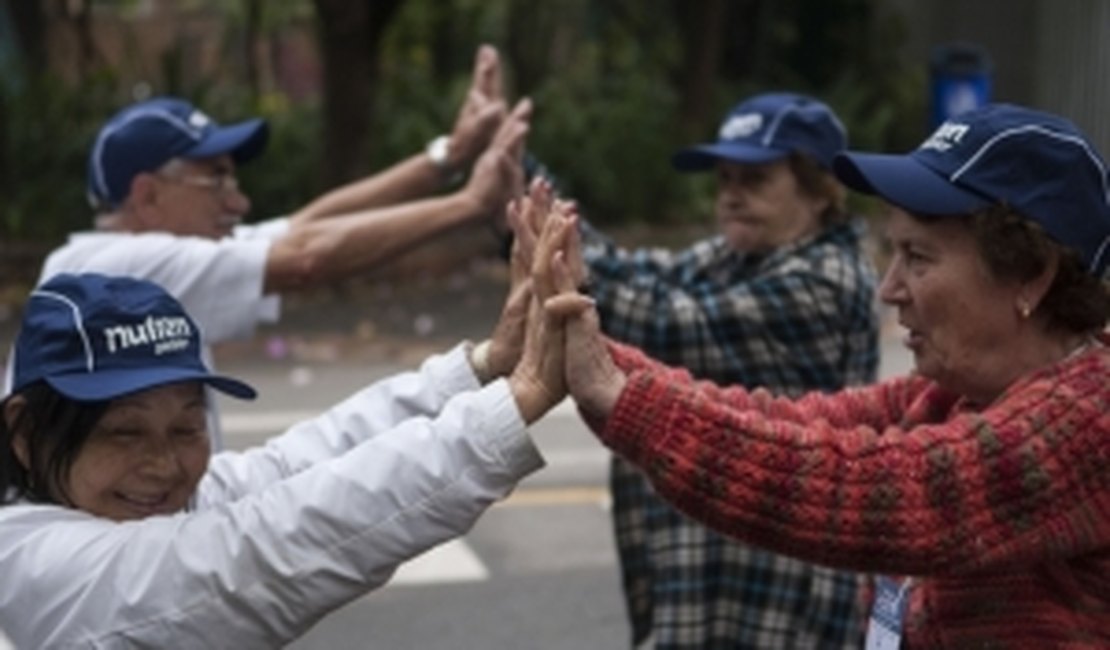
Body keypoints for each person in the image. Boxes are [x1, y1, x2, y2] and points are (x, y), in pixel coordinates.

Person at [533, 103, 1110, 648]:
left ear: (1031, 275)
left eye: (919, 257)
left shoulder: (1090, 415)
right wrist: (602, 367)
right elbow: (785, 421)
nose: (891, 290)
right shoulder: (951, 396)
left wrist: (617, 392)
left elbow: (876, 490)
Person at [0, 177, 570, 647]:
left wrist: (483, 368)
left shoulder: (129, 503)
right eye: (124, 432)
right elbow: (266, 547)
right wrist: (515, 404)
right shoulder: (35, 563)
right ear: (24, 433)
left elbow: (297, 464)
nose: (165, 465)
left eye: (186, 426)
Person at [7, 44, 530, 450]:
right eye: (216, 181)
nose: (239, 202)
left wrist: (448, 156)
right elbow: (306, 257)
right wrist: (470, 203)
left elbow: (309, 225)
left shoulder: (151, 257)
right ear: (147, 196)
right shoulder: (113, 272)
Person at [577, 92, 878, 648]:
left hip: (785, 592)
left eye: (755, 180)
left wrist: (538, 246)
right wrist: (518, 193)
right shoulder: (735, 256)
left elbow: (660, 320)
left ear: (817, 190)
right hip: (714, 576)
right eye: (724, 180)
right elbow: (623, 269)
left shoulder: (827, 281)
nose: (732, 197)